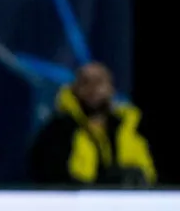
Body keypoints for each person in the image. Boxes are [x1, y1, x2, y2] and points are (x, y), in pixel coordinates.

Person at [28, 62, 156, 187]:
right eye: (86, 82)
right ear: (75, 89)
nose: (93, 89)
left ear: (111, 89)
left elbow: (147, 174)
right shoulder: (56, 131)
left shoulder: (131, 128)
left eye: (99, 82)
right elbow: (51, 178)